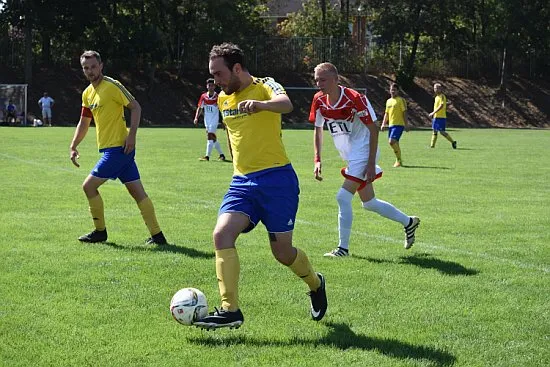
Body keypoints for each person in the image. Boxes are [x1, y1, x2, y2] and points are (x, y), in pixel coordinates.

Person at [193, 42, 327, 330]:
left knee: (282, 253)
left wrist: (261, 105)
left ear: (237, 68)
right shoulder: (222, 100)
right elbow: (232, 136)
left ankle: (316, 283)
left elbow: (287, 104)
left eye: (218, 74)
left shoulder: (265, 85)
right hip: (242, 182)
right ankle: (231, 310)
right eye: (213, 75)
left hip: (278, 180)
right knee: (221, 234)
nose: (215, 81)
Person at [309, 62, 420, 258]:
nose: (319, 83)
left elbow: (374, 129)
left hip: (364, 150)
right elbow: (318, 129)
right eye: (316, 79)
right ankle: (409, 222)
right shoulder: (319, 100)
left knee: (342, 197)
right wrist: (317, 159)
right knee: (369, 203)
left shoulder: (355, 99)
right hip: (352, 154)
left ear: (336, 79)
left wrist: (370, 163)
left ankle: (342, 249)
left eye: (323, 79)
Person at [69, 50, 167, 245]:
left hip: (118, 150)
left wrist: (132, 135)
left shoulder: (112, 86)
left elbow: (136, 107)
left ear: (101, 65)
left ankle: (100, 231)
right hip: (111, 150)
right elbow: (84, 121)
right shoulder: (87, 93)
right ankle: (158, 237)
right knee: (138, 193)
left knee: (88, 186)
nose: (90, 71)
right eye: (86, 68)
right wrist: (73, 145)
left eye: (93, 66)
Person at [194, 78, 226, 161]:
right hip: (207, 120)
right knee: (213, 138)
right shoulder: (203, 96)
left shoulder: (218, 97)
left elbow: (222, 109)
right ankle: (222, 155)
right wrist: (196, 117)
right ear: (206, 86)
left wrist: (223, 120)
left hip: (214, 120)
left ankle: (207, 156)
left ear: (214, 86)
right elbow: (200, 108)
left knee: (209, 137)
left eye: (212, 85)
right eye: (209, 85)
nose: (210, 87)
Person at [380, 83, 409, 167]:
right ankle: (399, 161)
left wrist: (406, 124)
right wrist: (383, 124)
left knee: (391, 141)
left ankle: (398, 160)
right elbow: (386, 114)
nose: (392, 91)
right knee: (395, 143)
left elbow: (404, 112)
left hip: (399, 125)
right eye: (391, 89)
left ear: (398, 91)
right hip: (391, 125)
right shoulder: (388, 101)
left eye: (394, 90)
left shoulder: (401, 100)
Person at [429, 83, 457, 149]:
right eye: (434, 88)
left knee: (442, 132)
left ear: (440, 89)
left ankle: (453, 142)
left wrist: (433, 112)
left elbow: (441, 106)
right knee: (434, 131)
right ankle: (432, 146)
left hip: (441, 117)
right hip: (436, 117)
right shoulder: (436, 97)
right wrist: (434, 114)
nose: (435, 89)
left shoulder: (442, 96)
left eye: (436, 88)